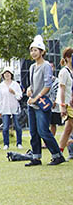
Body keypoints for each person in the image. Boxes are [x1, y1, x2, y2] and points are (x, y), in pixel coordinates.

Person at [25, 35, 66, 166]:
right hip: (32, 103)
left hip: (42, 104)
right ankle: (36, 157)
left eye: (35, 50)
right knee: (33, 132)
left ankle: (57, 155)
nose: (33, 53)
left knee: (43, 130)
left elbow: (47, 85)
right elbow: (33, 84)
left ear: (42, 51)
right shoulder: (32, 67)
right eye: (31, 50)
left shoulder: (46, 65)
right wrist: (29, 90)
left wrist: (36, 98)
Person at [0, 68, 23, 150]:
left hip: (15, 108)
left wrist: (14, 92)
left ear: (11, 75)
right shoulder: (1, 86)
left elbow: (20, 96)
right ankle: (6, 144)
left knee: (18, 126)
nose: (7, 75)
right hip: (5, 109)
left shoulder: (15, 85)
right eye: (5, 73)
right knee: (5, 128)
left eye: (8, 73)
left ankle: (19, 143)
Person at [57, 47, 73, 156]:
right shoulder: (64, 72)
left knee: (68, 129)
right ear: (67, 57)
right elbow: (62, 89)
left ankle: (59, 153)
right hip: (67, 104)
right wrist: (62, 105)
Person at [48, 63, 62, 136]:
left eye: (52, 67)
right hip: (44, 104)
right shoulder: (43, 80)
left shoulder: (57, 81)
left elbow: (59, 92)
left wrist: (55, 101)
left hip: (54, 106)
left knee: (53, 123)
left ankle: (50, 140)